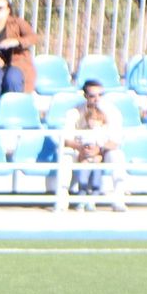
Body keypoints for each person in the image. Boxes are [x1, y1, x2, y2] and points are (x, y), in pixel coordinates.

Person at [62, 80, 127, 210]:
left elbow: (115, 142)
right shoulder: (74, 112)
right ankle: (62, 200)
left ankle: (118, 200)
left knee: (117, 156)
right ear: (85, 96)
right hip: (81, 150)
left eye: (100, 95)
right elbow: (66, 139)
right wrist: (81, 149)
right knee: (65, 156)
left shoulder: (112, 112)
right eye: (92, 95)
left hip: (103, 151)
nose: (97, 99)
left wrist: (99, 150)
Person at [0, 0, 37, 118]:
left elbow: (34, 37)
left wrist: (16, 41)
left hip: (16, 64)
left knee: (13, 78)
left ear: (8, 10)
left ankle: (13, 115)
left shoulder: (17, 23)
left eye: (0, 8)